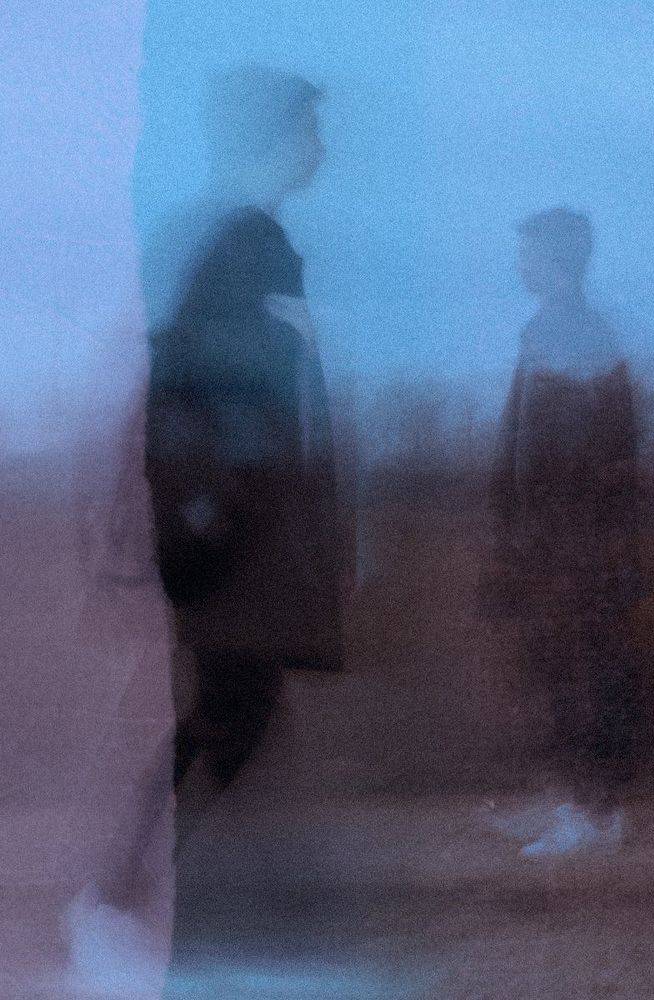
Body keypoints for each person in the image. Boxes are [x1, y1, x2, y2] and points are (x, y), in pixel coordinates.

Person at [65, 63, 344, 993]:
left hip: (234, 526)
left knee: (240, 714)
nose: (321, 149)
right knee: (236, 713)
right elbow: (222, 391)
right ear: (274, 140)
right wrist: (225, 517)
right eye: (309, 130)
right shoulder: (247, 244)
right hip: (238, 534)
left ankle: (144, 907)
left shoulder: (230, 237)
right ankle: (117, 906)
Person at [486, 207, 642, 857]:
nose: (519, 264)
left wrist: (547, 527)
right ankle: (582, 805)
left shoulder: (573, 334)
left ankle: (586, 811)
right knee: (569, 668)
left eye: (529, 253)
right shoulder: (553, 330)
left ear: (557, 261)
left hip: (570, 540)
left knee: (576, 671)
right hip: (560, 536)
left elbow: (583, 449)